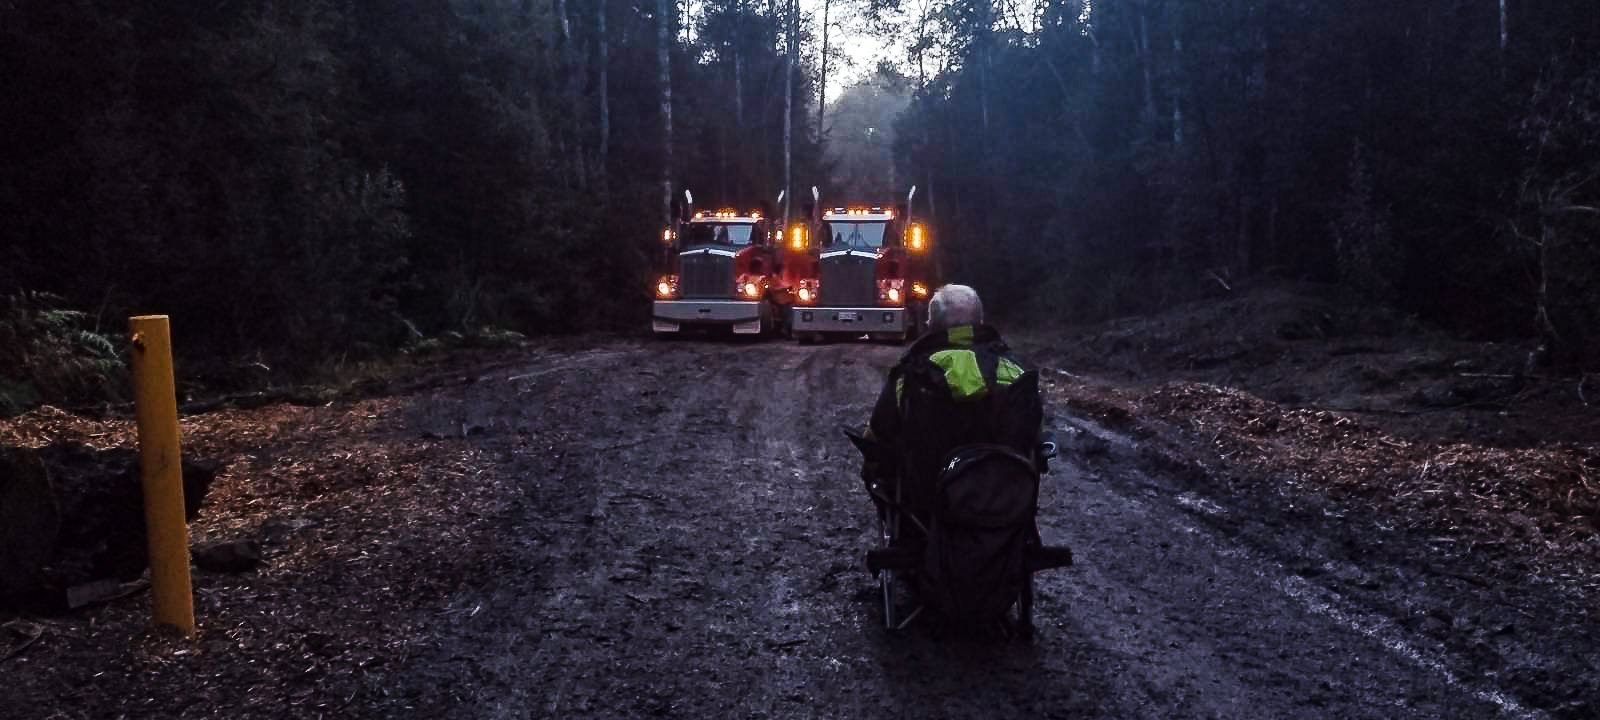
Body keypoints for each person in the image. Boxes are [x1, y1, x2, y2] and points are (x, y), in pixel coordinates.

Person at [862, 284, 1045, 530]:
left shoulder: (912, 375)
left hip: (925, 510)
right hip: (1005, 503)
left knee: (876, 469)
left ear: (931, 324)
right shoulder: (1016, 372)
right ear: (980, 321)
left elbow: (879, 433)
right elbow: (1034, 433)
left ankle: (903, 538)